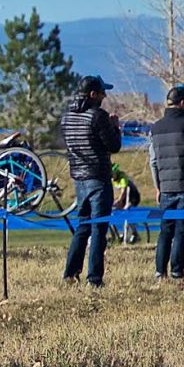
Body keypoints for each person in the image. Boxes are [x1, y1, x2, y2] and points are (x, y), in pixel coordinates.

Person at [60, 75, 122, 288]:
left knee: (83, 226)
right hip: (98, 177)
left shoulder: (66, 117)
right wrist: (115, 127)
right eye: (102, 92)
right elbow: (113, 146)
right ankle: (94, 278)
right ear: (92, 94)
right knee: (98, 229)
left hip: (79, 178)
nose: (105, 96)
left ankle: (70, 273)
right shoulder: (98, 116)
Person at [149, 83, 184, 282]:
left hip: (166, 188)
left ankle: (159, 272)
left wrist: (157, 187)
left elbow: (153, 161)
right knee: (181, 230)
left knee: (165, 230)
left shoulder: (155, 128)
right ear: (181, 103)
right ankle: (177, 272)